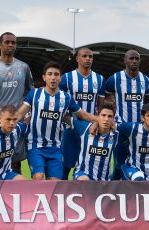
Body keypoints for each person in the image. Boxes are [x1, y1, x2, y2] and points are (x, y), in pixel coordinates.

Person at [17, 61, 98, 181]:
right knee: (38, 177)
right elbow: (19, 114)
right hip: (35, 145)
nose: (53, 77)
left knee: (55, 182)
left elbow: (83, 115)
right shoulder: (34, 94)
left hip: (55, 147)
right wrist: (1, 124)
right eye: (50, 74)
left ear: (60, 78)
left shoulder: (66, 98)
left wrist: (100, 119)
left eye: (56, 74)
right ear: (44, 77)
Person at [0, 32, 34, 175]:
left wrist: (27, 113)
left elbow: (31, 93)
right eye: (7, 42)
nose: (10, 45)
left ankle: (15, 196)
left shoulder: (24, 67)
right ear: (0, 44)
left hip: (14, 123)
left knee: (15, 163)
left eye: (13, 42)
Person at [60, 47, 106, 180]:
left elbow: (101, 106)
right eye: (85, 56)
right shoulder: (67, 78)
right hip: (71, 128)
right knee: (66, 165)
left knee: (87, 165)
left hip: (91, 129)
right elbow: (62, 103)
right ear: (77, 59)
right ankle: (61, 195)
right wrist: (67, 119)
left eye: (90, 56)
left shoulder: (99, 79)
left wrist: (98, 121)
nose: (88, 59)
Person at [105, 49, 149, 180]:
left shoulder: (146, 80)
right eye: (131, 58)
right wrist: (112, 107)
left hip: (139, 129)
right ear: (125, 60)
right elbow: (107, 97)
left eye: (137, 58)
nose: (134, 61)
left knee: (136, 162)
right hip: (120, 128)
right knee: (119, 162)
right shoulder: (115, 78)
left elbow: (148, 102)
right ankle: (114, 186)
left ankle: (134, 187)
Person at [65, 103, 118, 181]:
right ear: (97, 116)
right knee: (84, 180)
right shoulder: (85, 128)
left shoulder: (117, 134)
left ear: (113, 119)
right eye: (103, 115)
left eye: (110, 116)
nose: (106, 119)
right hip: (82, 174)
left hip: (103, 180)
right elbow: (66, 118)